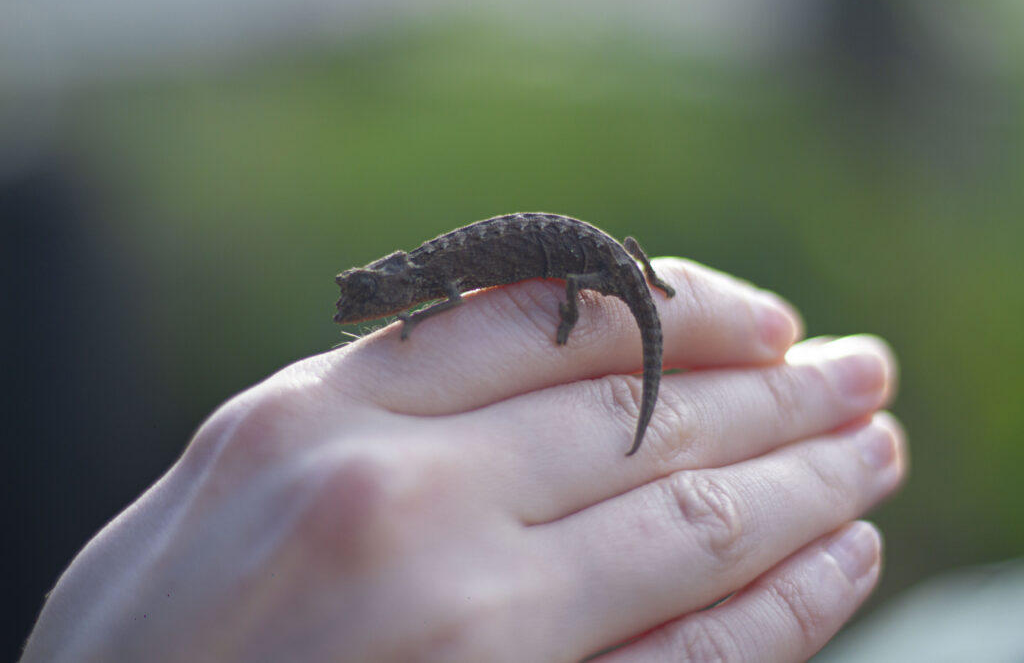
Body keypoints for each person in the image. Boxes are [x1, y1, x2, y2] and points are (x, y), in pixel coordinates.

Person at [20, 256, 905, 662]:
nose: (367, 314)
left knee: (607, 310)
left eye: (374, 303)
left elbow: (445, 295)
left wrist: (563, 316)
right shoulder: (421, 275)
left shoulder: (427, 282)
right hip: (594, 260)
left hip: (591, 263)